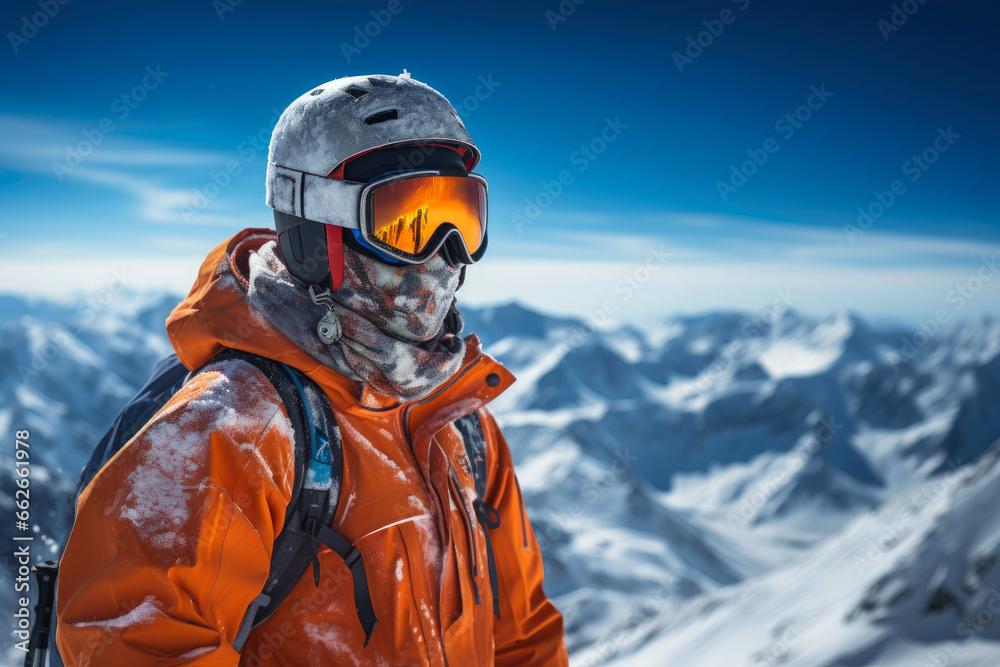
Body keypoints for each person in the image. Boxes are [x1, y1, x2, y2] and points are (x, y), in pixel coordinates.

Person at [54, 73, 569, 666]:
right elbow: (130, 645)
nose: (444, 254)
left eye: (462, 217)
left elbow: (522, 637)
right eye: (406, 222)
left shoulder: (460, 422)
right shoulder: (234, 427)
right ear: (314, 234)